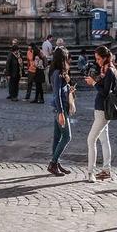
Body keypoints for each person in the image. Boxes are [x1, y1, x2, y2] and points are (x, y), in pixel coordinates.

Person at [84, 45, 117, 182]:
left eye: (98, 59)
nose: (97, 61)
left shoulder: (109, 70)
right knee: (104, 140)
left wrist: (93, 83)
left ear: (104, 58)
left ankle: (90, 172)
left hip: (103, 111)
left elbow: (105, 92)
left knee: (91, 140)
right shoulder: (105, 70)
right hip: (100, 110)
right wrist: (96, 80)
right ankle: (106, 170)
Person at [48, 48, 74, 177]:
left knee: (57, 137)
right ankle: (53, 163)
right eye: (66, 57)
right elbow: (57, 94)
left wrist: (69, 89)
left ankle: (56, 163)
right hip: (60, 108)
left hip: (59, 108)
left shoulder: (58, 72)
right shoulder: (57, 73)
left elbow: (60, 91)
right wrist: (61, 112)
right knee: (67, 136)